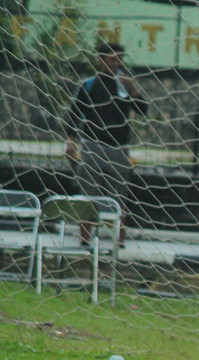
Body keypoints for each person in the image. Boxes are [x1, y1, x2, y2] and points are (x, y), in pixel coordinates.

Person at [65, 42, 147, 244]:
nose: (117, 63)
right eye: (112, 59)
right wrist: (70, 141)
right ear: (101, 60)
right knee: (88, 197)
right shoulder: (90, 85)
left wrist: (133, 90)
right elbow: (74, 113)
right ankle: (85, 241)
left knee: (119, 198)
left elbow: (143, 110)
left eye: (120, 59)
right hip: (93, 147)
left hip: (119, 149)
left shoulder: (125, 85)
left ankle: (119, 244)